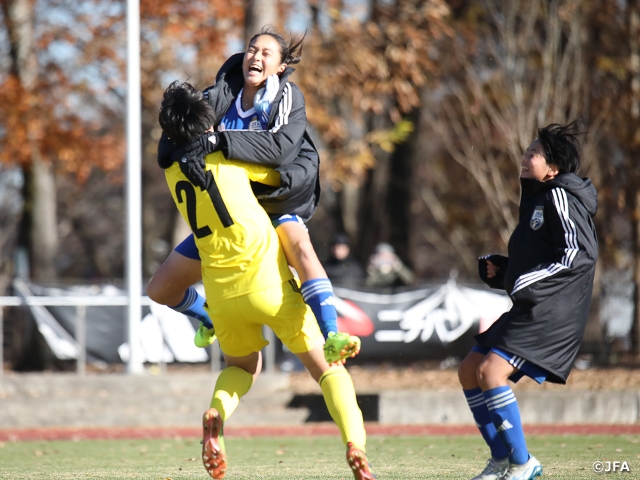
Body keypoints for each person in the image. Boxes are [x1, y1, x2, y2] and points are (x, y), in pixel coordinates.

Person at [158, 81, 375, 480]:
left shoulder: (173, 170)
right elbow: (280, 173)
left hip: (221, 293)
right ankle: (355, 445)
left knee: (243, 368)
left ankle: (216, 415)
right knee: (329, 370)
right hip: (267, 284)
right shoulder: (230, 158)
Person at [148, 27, 360, 365]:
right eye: (251, 49)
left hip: (275, 204)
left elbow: (279, 148)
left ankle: (333, 333)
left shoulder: (288, 95)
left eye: (266, 53)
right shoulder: (216, 95)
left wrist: (219, 142)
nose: (256, 57)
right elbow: (174, 137)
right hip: (231, 218)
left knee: (303, 250)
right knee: (160, 289)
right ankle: (209, 318)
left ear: (280, 66)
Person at [457, 122, 598, 480]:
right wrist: (504, 272)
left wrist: (520, 280)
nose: (525, 157)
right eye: (526, 151)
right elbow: (538, 265)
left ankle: (523, 463)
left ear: (553, 168)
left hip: (552, 313)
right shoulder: (538, 198)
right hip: (532, 306)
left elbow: (577, 256)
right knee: (469, 371)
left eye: (533, 153)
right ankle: (502, 461)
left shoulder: (560, 196)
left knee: (491, 373)